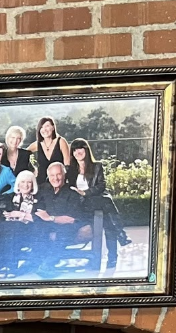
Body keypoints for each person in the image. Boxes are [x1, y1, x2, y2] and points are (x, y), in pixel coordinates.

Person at [67, 137, 132, 265]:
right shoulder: (70, 170)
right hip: (80, 204)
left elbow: (101, 186)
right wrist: (82, 194)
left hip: (94, 201)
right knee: (106, 201)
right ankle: (121, 235)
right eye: (74, 150)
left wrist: (86, 192)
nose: (77, 152)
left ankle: (112, 257)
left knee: (108, 222)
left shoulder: (97, 166)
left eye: (80, 148)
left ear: (86, 150)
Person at [33, 162, 84, 273]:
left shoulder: (72, 193)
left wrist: (51, 218)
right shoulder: (44, 191)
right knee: (37, 227)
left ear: (64, 175)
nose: (55, 178)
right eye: (52, 175)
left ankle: (48, 264)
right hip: (48, 224)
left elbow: (72, 219)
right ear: (48, 177)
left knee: (63, 232)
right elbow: (39, 211)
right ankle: (36, 262)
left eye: (58, 174)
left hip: (66, 225)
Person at [30, 116, 71, 184]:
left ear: (53, 127)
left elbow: (67, 164)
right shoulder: (36, 145)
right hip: (41, 183)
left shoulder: (61, 141)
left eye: (47, 126)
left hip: (58, 182)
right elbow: (23, 154)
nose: (44, 129)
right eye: (42, 127)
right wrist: (34, 170)